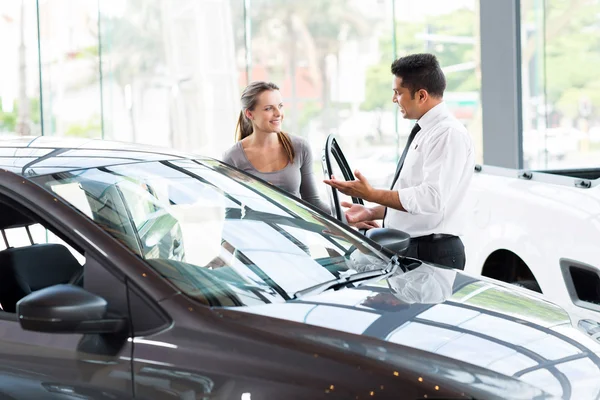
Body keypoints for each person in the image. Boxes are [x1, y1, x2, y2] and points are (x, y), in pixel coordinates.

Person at [324, 53, 475, 270]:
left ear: (421, 95)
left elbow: (431, 199)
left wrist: (371, 193)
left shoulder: (447, 134)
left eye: (398, 93)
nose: (394, 99)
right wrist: (372, 211)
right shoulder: (427, 130)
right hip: (415, 248)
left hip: (432, 252)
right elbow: (412, 198)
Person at [222, 81, 330, 213]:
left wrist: (347, 218)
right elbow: (232, 214)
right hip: (257, 233)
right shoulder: (233, 158)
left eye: (280, 106)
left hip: (297, 233)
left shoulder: (300, 147)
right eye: (268, 108)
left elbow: (313, 202)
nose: (278, 113)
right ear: (249, 114)